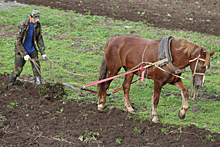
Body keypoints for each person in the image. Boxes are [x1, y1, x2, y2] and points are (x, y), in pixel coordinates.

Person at [8, 9, 47, 87]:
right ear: (30, 17)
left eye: (37, 19)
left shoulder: (38, 25)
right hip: (22, 50)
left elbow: (39, 39)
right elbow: (18, 42)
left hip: (32, 50)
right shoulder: (23, 24)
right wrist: (24, 54)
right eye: (34, 19)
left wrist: (43, 53)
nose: (36, 21)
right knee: (17, 70)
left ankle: (38, 86)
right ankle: (10, 84)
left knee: (37, 68)